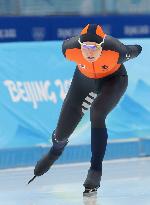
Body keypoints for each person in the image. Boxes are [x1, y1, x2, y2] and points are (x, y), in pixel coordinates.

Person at [30, 24, 142, 195]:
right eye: (85, 47)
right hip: (84, 80)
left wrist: (138, 48)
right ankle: (54, 152)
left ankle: (95, 171)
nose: (89, 52)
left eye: (94, 48)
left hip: (113, 80)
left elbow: (135, 50)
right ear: (80, 45)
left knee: (97, 112)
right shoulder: (69, 49)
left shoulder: (116, 51)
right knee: (61, 135)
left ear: (102, 45)